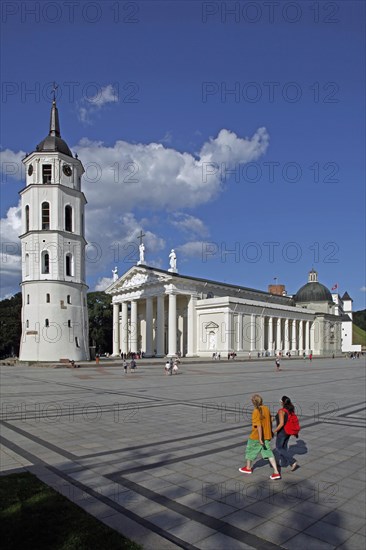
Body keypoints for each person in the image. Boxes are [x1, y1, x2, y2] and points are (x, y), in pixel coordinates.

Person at [239, 394, 281, 480]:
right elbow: (270, 420)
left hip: (256, 437)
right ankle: (276, 472)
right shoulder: (266, 408)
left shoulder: (255, 411)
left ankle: (248, 468)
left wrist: (260, 438)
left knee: (250, 450)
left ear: (253, 402)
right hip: (267, 435)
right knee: (268, 453)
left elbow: (258, 426)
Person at [273, 396, 299, 472]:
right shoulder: (290, 409)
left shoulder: (281, 411)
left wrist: (274, 431)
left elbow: (281, 423)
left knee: (278, 447)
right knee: (284, 447)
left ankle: (292, 461)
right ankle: (283, 463)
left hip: (282, 432)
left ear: (282, 402)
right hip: (288, 431)